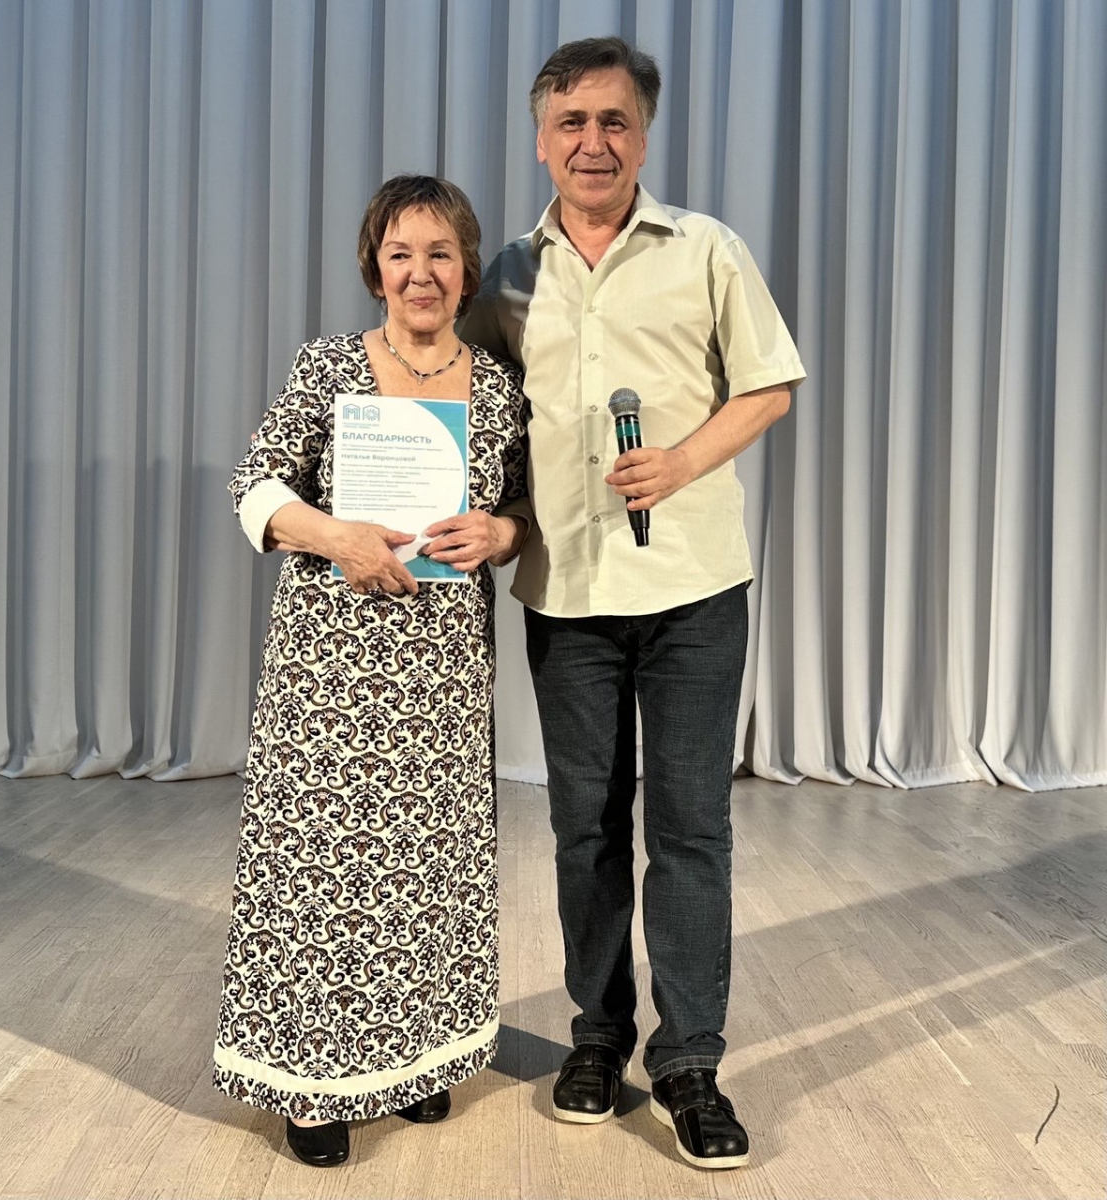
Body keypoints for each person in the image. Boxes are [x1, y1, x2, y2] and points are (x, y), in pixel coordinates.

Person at [462, 37, 805, 1170]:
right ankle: (599, 1037)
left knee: (690, 828)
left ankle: (692, 1061)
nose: (593, 142)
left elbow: (769, 383)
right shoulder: (507, 276)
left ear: (644, 136)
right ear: (541, 138)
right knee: (585, 829)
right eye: (571, 122)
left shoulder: (705, 248)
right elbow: (464, 404)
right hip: (567, 593)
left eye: (614, 121)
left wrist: (682, 460)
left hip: (694, 589)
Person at [213, 175, 529, 1168]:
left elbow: (523, 514)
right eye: (401, 254)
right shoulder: (328, 367)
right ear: (374, 267)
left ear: (466, 269)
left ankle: (419, 1060)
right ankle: (313, 1086)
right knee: (323, 873)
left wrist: (500, 532)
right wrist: (336, 534)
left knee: (430, 870)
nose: (420, 273)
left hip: (442, 674)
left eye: (440, 254)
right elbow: (253, 487)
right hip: (331, 671)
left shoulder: (498, 387)